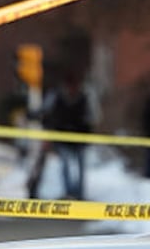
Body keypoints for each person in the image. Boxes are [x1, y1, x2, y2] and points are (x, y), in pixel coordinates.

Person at [26, 71, 98, 199]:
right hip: (62, 138)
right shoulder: (56, 96)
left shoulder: (85, 97)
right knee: (66, 165)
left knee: (80, 168)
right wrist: (34, 115)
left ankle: (79, 194)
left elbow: (93, 116)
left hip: (80, 138)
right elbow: (44, 110)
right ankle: (69, 193)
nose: (72, 90)